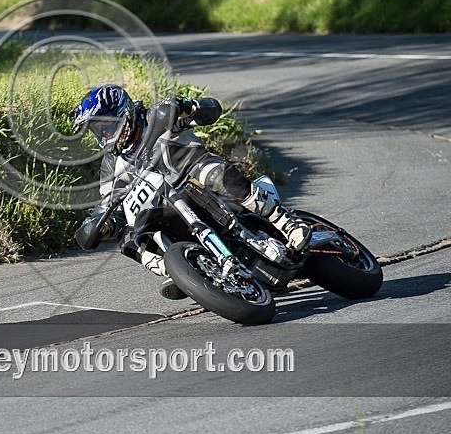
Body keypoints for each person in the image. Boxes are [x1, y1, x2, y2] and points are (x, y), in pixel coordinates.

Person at [72, 84, 311, 298]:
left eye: (106, 125)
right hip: (163, 206)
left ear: (123, 113)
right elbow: (111, 202)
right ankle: (181, 270)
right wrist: (102, 225)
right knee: (126, 238)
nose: (103, 134)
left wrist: (189, 107)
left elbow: (212, 110)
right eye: (97, 129)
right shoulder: (111, 163)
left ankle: (286, 222)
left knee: (213, 173)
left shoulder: (157, 116)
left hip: (196, 179)